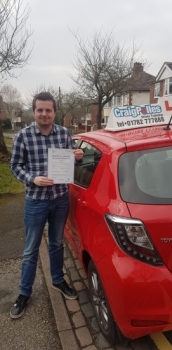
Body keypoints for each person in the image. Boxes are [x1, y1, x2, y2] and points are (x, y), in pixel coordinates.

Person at [10, 92, 83, 319]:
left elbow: (67, 159)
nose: (44, 114)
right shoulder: (23, 136)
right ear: (34, 111)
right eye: (40, 110)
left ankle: (58, 281)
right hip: (35, 201)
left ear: (54, 112)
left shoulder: (64, 133)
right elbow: (15, 166)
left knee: (57, 243)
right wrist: (33, 179)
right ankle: (24, 293)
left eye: (48, 110)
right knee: (31, 249)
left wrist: (76, 156)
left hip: (60, 198)